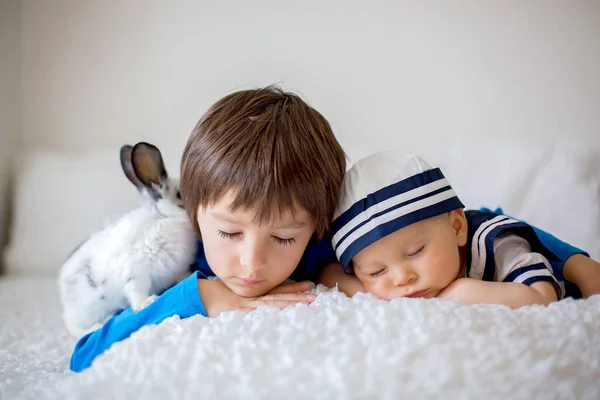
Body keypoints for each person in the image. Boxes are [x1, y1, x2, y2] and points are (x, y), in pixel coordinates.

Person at [69, 86, 346, 372]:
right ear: (193, 215)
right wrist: (198, 295)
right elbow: (85, 355)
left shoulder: (320, 245)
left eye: (283, 238)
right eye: (229, 233)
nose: (252, 262)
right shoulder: (176, 262)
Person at [319, 151, 600, 307]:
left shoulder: (496, 242)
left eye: (416, 251)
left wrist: (460, 292)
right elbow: (328, 273)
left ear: (456, 227)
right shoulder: (373, 272)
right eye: (376, 271)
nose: (401, 278)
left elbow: (543, 297)